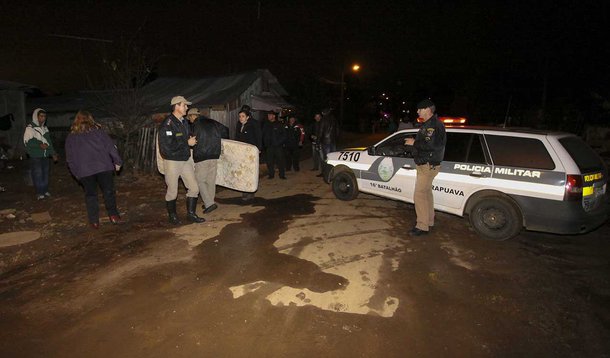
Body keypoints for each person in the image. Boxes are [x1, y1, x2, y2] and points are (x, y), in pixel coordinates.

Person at [65, 110, 123, 229]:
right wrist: (117, 161)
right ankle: (113, 215)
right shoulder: (99, 132)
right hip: (103, 166)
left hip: (85, 170)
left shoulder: (71, 137)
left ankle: (94, 221)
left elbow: (70, 158)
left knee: (91, 195)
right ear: (90, 119)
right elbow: (110, 147)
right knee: (108, 192)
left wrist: (76, 173)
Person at [158, 96, 205, 224]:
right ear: (177, 106)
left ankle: (191, 214)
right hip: (172, 161)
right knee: (172, 190)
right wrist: (186, 143)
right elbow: (166, 148)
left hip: (185, 159)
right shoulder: (167, 124)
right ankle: (172, 216)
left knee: (194, 188)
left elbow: (187, 138)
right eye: (185, 105)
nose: (187, 108)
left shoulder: (184, 122)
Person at [403, 99, 446, 236]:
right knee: (426, 194)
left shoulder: (433, 125)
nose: (417, 111)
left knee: (420, 195)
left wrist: (414, 142)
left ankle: (422, 226)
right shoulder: (430, 124)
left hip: (427, 164)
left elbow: (431, 146)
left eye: (420, 109)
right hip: (428, 164)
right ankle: (428, 221)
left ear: (427, 110)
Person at [189, 107, 229, 213]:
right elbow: (225, 130)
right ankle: (210, 202)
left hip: (202, 156)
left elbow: (192, 140)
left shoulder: (195, 125)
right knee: (211, 181)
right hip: (214, 155)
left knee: (199, 180)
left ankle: (209, 203)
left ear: (193, 116)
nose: (190, 120)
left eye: (190, 118)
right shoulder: (212, 122)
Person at [23, 108, 59, 200]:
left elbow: (49, 142)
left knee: (45, 173)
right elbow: (27, 142)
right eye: (41, 116)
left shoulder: (45, 128)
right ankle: (39, 192)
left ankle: (45, 190)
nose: (43, 118)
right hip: (35, 155)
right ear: (36, 117)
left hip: (45, 155)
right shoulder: (30, 128)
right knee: (38, 174)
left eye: (44, 116)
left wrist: (53, 153)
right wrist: (39, 145)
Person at [235, 107, 262, 200]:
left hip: (251, 153)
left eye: (243, 116)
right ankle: (244, 191)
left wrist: (259, 149)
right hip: (242, 153)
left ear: (247, 117)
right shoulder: (239, 125)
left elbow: (258, 136)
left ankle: (250, 192)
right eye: (239, 116)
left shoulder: (253, 125)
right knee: (243, 173)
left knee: (250, 173)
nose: (241, 118)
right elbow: (237, 138)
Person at [262, 111, 287, 179]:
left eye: (270, 115)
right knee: (269, 162)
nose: (268, 116)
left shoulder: (279, 124)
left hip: (278, 146)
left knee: (280, 161)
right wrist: (265, 143)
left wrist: (278, 142)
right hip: (269, 147)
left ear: (274, 116)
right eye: (268, 115)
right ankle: (271, 175)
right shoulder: (266, 124)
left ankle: (282, 175)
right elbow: (263, 134)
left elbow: (284, 135)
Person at [316, 108, 338, 177]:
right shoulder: (334, 119)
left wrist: (318, 142)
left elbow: (321, 132)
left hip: (325, 141)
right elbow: (337, 130)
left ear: (323, 113)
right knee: (333, 157)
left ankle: (326, 173)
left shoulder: (323, 120)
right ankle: (333, 172)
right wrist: (335, 138)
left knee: (326, 158)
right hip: (333, 141)